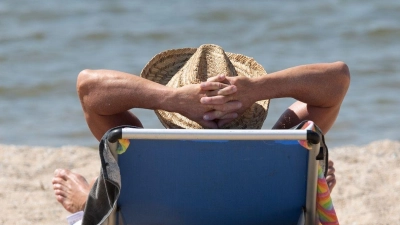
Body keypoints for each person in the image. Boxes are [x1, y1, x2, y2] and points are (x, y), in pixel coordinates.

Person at [52, 44, 348, 214]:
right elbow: (338, 79)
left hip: (160, 211)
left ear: (174, 114)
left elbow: (88, 87)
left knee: (119, 183)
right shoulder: (287, 144)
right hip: (258, 212)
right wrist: (259, 89)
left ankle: (87, 201)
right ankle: (304, 191)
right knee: (305, 173)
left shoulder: (140, 149)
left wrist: (170, 99)